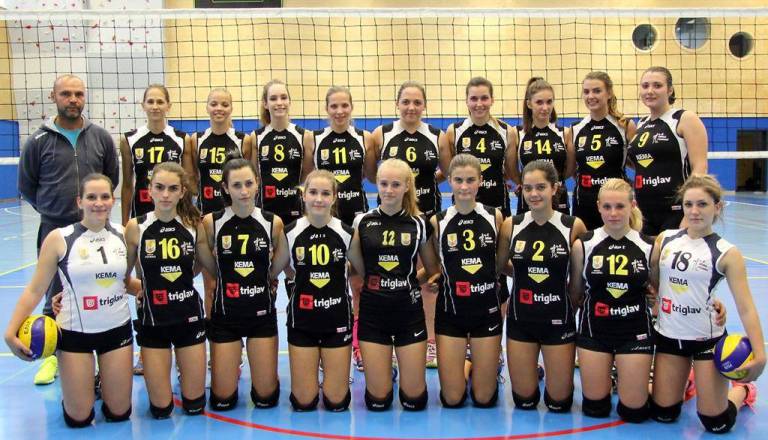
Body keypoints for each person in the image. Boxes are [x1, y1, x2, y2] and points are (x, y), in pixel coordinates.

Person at [5, 174, 133, 427]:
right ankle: (80, 386)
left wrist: (150, 291)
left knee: (119, 413)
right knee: (79, 417)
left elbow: (126, 282)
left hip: (117, 330)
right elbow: (35, 289)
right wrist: (10, 332)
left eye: (105, 196)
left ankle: (101, 382)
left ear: (113, 200)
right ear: (79, 201)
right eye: (91, 197)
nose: (98, 203)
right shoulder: (59, 238)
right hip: (74, 334)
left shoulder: (124, 234)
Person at [17, 74, 119, 385]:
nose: (73, 99)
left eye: (78, 94)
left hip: (94, 230)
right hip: (54, 227)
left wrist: (93, 212)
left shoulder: (101, 137)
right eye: (66, 94)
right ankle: (52, 355)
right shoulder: (37, 141)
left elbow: (111, 178)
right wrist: (53, 211)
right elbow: (27, 186)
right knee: (54, 294)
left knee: (97, 292)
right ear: (54, 97)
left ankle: (102, 359)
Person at [650, 174, 765, 433]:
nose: (694, 211)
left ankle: (743, 391)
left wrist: (760, 355)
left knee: (717, 422)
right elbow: (654, 279)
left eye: (702, 204)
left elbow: (746, 307)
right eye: (688, 204)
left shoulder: (727, 252)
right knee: (664, 414)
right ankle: (690, 381)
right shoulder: (665, 239)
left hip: (706, 341)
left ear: (717, 207)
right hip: (669, 336)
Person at [125, 162, 216, 419]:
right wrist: (144, 289)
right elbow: (121, 277)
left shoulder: (194, 225)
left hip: (188, 318)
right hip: (153, 322)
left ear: (182, 192)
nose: (165, 194)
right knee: (161, 410)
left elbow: (207, 268)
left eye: (173, 188)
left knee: (195, 406)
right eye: (160, 187)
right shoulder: (136, 227)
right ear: (149, 189)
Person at [348, 158, 440, 411]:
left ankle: (397, 372)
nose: (388, 190)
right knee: (378, 401)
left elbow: (432, 269)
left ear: (407, 186)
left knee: (414, 401)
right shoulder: (361, 222)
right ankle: (384, 371)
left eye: (396, 184)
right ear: (376, 184)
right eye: (383, 184)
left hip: (408, 314)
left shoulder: (419, 223)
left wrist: (409, 281)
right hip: (373, 315)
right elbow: (356, 269)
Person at [368, 81, 446, 368]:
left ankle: (430, 342)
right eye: (406, 102)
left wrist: (415, 189)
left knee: (429, 281)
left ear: (424, 105)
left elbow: (446, 170)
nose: (411, 107)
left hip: (426, 216)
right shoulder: (382, 134)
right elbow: (372, 173)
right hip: (390, 219)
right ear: (397, 104)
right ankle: (388, 341)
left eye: (417, 102)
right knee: (389, 279)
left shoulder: (436, 135)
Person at [503, 160, 587, 412]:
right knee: (524, 401)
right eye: (528, 188)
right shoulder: (511, 225)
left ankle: (548, 368)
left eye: (540, 187)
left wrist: (568, 310)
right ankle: (531, 369)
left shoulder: (573, 226)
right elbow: (499, 266)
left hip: (558, 321)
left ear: (555, 188)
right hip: (521, 320)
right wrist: (523, 274)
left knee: (559, 403)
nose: (534, 194)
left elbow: (577, 282)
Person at [570, 178, 654, 422]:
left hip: (635, 333)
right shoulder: (584, 244)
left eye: (620, 206)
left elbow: (660, 291)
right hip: (595, 332)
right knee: (595, 409)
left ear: (632, 206)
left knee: (634, 413)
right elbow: (575, 293)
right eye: (607, 207)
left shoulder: (649, 246)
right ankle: (617, 377)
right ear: (598, 206)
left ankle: (650, 382)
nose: (613, 213)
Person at [301, 86, 373, 372]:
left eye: (345, 105)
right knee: (323, 279)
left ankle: (357, 344)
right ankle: (322, 343)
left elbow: (370, 174)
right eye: (334, 106)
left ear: (351, 107)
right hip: (324, 217)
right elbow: (310, 177)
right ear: (327, 109)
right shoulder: (315, 138)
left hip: (356, 215)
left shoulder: (365, 138)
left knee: (358, 284)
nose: (340, 111)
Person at [271, 169, 354, 411]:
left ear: (334, 197)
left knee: (337, 402)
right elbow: (275, 269)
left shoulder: (346, 232)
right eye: (313, 192)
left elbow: (360, 268)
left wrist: (337, 273)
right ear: (303, 195)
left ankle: (332, 369)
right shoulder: (290, 232)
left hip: (337, 320)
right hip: (303, 321)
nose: (319, 199)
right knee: (303, 401)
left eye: (325, 193)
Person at [203, 157, 281, 411]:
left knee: (266, 398)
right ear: (225, 188)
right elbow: (211, 270)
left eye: (249, 183)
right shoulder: (211, 222)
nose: (244, 191)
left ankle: (266, 377)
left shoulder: (273, 222)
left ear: (258, 183)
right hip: (226, 317)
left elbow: (277, 269)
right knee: (222, 400)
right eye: (236, 185)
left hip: (261, 316)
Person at [430, 154, 505, 408]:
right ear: (449, 180)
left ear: (481, 181)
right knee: (452, 399)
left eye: (471, 180)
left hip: (487, 312)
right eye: (458, 180)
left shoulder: (495, 217)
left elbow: (501, 263)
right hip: (451, 313)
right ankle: (467, 364)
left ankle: (479, 365)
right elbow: (435, 266)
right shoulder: (438, 221)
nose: (464, 187)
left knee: (484, 399)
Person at [191, 88, 253, 318]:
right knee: (211, 285)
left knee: (239, 282)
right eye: (214, 104)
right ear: (207, 107)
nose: (219, 109)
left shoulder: (243, 141)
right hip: (207, 220)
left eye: (225, 104)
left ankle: (240, 331)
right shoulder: (196, 140)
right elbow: (192, 179)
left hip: (236, 220)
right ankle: (213, 332)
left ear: (231, 108)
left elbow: (249, 178)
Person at [627, 66, 708, 236]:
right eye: (645, 86)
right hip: (645, 213)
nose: (650, 91)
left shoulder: (684, 119)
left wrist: (690, 212)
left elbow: (700, 167)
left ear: (670, 90)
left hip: (675, 211)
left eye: (657, 85)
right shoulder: (641, 124)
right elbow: (643, 164)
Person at [440, 77, 515, 218]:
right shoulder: (454, 131)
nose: (479, 104)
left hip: (498, 206)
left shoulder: (506, 131)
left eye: (484, 98)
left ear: (492, 100)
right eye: (474, 99)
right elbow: (449, 171)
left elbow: (511, 172)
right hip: (463, 207)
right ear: (467, 101)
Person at [120, 84, 193, 225]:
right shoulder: (129, 140)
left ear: (168, 106)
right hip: (141, 212)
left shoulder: (182, 139)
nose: (155, 106)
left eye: (160, 102)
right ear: (143, 105)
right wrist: (124, 224)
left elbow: (187, 183)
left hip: (174, 213)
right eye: (150, 102)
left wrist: (187, 215)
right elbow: (127, 185)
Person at [572, 71, 636, 230]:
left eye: (597, 91)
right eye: (586, 92)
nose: (591, 96)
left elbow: (636, 163)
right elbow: (573, 168)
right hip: (584, 203)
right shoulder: (575, 129)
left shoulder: (625, 126)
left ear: (609, 93)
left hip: (615, 205)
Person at [509, 77, 574, 215]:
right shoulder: (517, 133)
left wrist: (555, 182)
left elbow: (570, 169)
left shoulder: (565, 133)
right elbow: (512, 171)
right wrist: (527, 184)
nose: (545, 108)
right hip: (529, 200)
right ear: (529, 104)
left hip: (558, 199)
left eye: (549, 102)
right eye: (539, 102)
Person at [252, 79, 305, 227]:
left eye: (283, 97)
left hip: (294, 210)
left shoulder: (304, 136)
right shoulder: (256, 137)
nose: (279, 102)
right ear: (265, 104)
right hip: (264, 209)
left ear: (289, 101)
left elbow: (305, 173)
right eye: (273, 98)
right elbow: (255, 174)